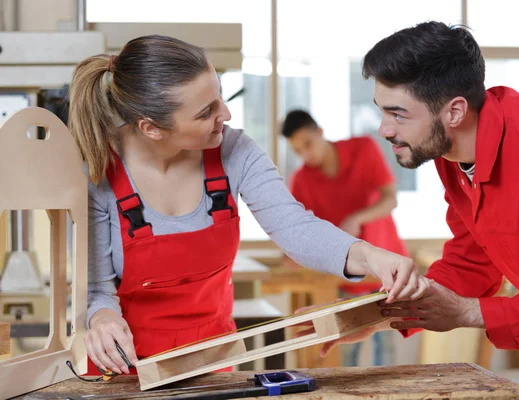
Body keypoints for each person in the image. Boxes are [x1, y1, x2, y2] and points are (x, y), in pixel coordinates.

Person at [67, 34, 427, 377]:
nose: (225, 114)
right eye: (206, 111)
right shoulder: (98, 174)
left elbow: (295, 227)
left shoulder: (234, 151)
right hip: (127, 371)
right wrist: (101, 319)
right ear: (152, 128)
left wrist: (370, 257)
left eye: (220, 98)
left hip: (213, 363)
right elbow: (98, 290)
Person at [308, 21, 519, 399]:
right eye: (382, 111)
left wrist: (467, 312)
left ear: (455, 111)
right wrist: (380, 314)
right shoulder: (454, 156)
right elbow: (472, 260)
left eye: (398, 114)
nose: (384, 129)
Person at [281, 109, 410, 366]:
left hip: (386, 267)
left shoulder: (364, 148)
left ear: (320, 132)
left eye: (308, 144)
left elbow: (390, 198)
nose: (306, 155)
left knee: (386, 351)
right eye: (298, 151)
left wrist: (357, 218)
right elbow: (299, 230)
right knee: (345, 349)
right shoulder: (301, 180)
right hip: (343, 277)